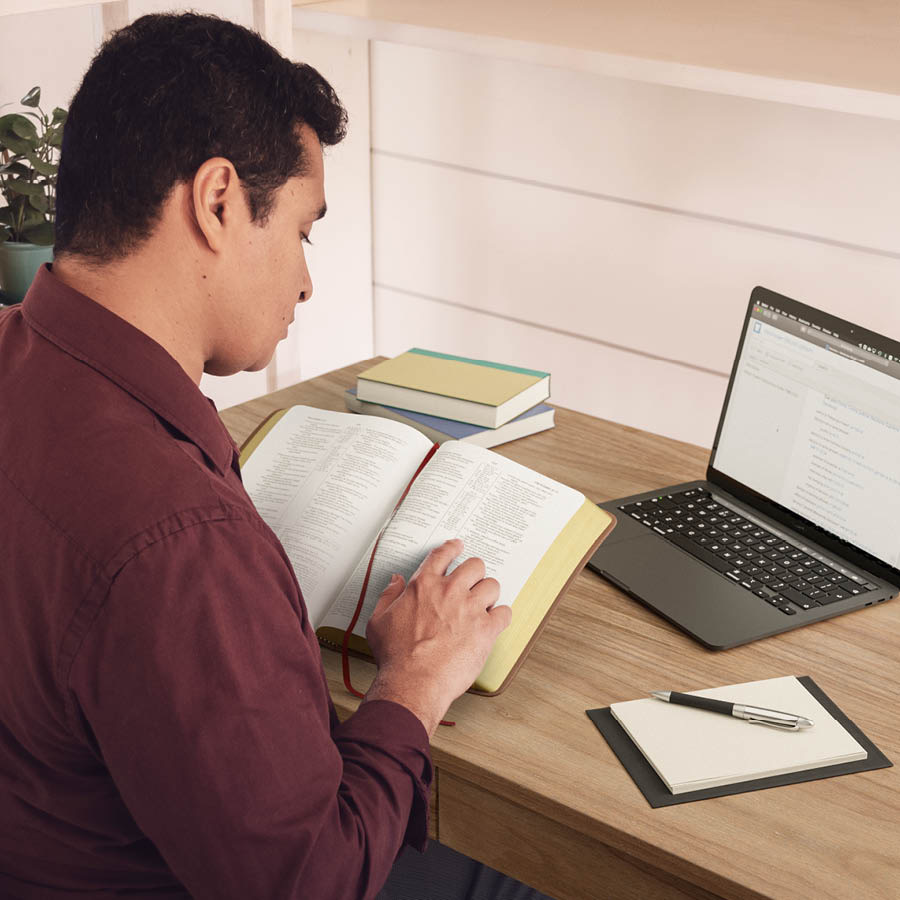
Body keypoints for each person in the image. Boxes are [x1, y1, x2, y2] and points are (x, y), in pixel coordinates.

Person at [0, 12, 556, 900]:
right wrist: (412, 685)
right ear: (218, 202)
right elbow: (312, 882)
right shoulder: (175, 539)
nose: (305, 279)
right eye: (303, 230)